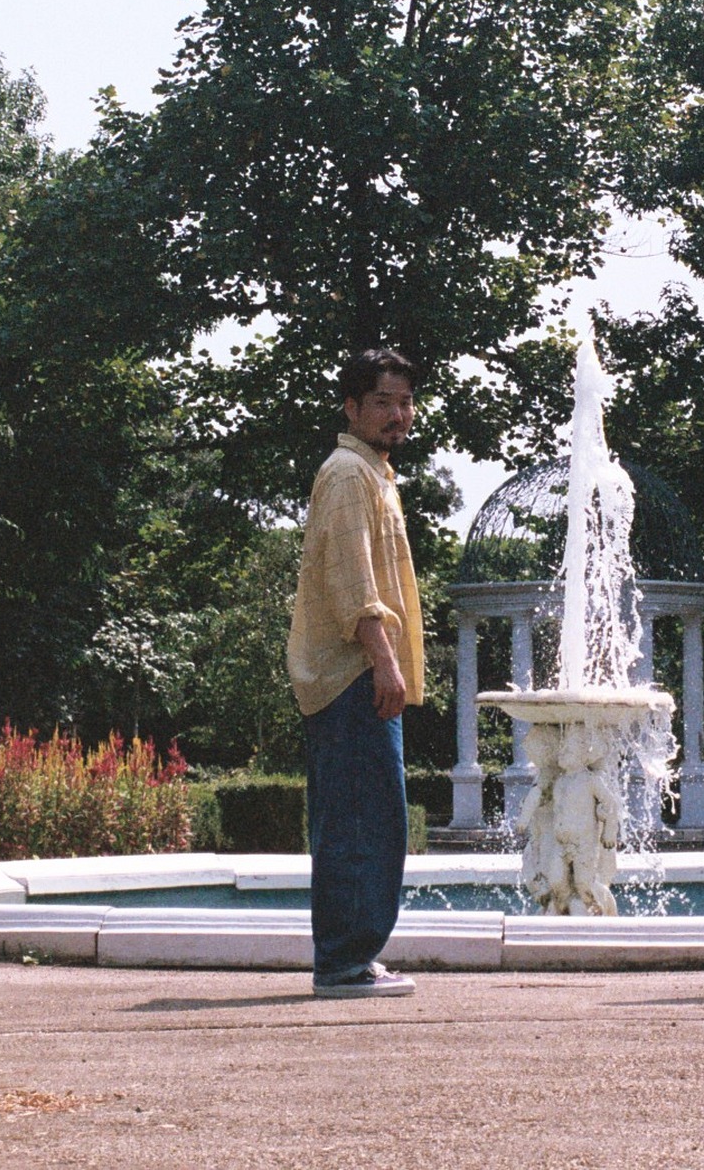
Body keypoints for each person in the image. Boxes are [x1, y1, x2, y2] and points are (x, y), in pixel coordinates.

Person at [286, 348, 428, 997]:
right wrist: (385, 663)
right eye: (382, 402)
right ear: (351, 408)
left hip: (355, 674)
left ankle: (350, 958)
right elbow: (354, 585)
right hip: (353, 675)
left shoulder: (374, 473)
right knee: (359, 823)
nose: (397, 414)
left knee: (367, 819)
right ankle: (344, 963)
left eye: (405, 401)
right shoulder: (348, 474)